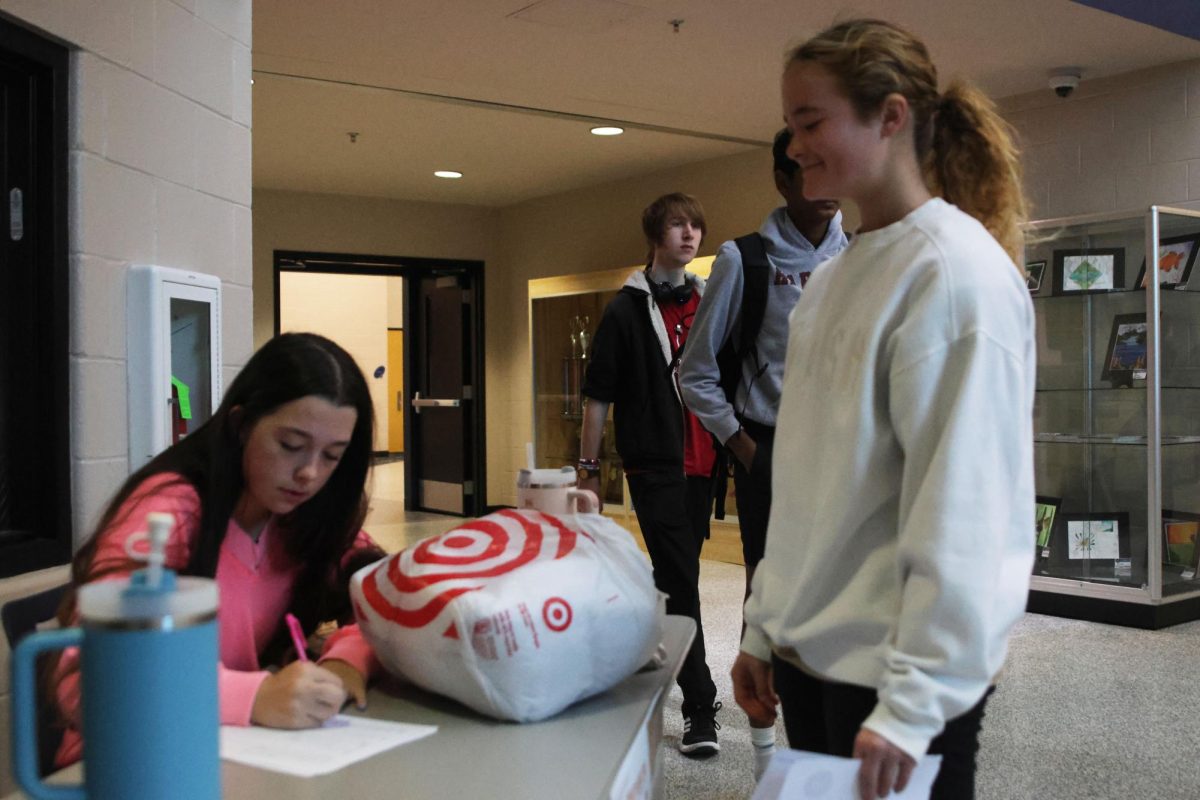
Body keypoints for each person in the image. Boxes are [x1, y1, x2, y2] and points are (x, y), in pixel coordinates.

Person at [731, 18, 1035, 800]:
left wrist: (914, 703)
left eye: (811, 122)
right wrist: (764, 627)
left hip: (896, 684)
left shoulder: (956, 275)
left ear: (890, 117)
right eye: (790, 125)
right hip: (812, 661)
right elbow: (805, 483)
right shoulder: (835, 277)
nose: (794, 146)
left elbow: (968, 511)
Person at [49, 332, 386, 767]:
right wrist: (255, 696)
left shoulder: (307, 513)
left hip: (239, 754)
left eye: (332, 456)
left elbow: (384, 597)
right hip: (132, 762)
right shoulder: (168, 512)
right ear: (241, 424)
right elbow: (86, 685)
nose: (309, 473)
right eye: (290, 446)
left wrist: (349, 661)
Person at [679, 126, 847, 779]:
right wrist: (746, 449)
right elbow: (696, 371)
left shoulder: (859, 254)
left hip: (844, 451)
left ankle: (825, 746)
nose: (829, 185)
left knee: (839, 591)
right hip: (769, 447)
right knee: (770, 597)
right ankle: (767, 758)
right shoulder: (742, 258)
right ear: (782, 180)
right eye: (811, 170)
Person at [578, 192, 722, 756]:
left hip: (706, 460)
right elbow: (596, 396)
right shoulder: (627, 308)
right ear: (655, 235)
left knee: (675, 579)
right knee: (681, 580)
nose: (689, 235)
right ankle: (700, 704)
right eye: (678, 225)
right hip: (654, 463)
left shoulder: (709, 300)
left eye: (695, 225)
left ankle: (650, 662)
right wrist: (588, 470)